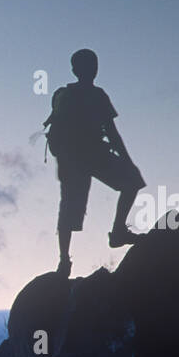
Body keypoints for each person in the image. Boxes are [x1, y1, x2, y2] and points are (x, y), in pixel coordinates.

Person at [45, 48, 146, 276]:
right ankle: (114, 234)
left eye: (94, 64)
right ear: (79, 69)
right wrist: (127, 161)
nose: (94, 69)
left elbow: (110, 131)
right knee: (128, 183)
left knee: (69, 207)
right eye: (91, 65)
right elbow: (112, 132)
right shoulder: (96, 95)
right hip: (87, 155)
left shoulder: (72, 95)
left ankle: (65, 261)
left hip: (75, 157)